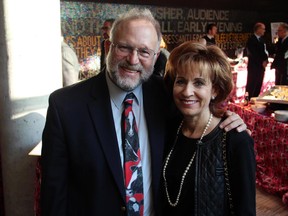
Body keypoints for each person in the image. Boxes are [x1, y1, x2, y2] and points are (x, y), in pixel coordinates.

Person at [41, 8, 247, 216]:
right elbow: (53, 194)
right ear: (108, 46)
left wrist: (229, 119)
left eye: (144, 51)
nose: (133, 59)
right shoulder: (66, 106)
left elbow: (199, 115)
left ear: (156, 56)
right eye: (124, 47)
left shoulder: (167, 96)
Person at [163, 42, 256, 215]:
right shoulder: (168, 130)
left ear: (215, 90)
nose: (187, 91)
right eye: (181, 81)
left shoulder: (235, 140)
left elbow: (246, 210)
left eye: (198, 83)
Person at [245, 22, 269, 99]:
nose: (264, 31)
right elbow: (253, 54)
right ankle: (247, 100)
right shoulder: (251, 40)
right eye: (263, 29)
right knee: (251, 84)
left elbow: (264, 52)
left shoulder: (262, 40)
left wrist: (266, 60)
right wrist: (261, 61)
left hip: (261, 67)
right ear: (258, 29)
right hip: (254, 66)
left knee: (259, 84)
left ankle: (255, 99)